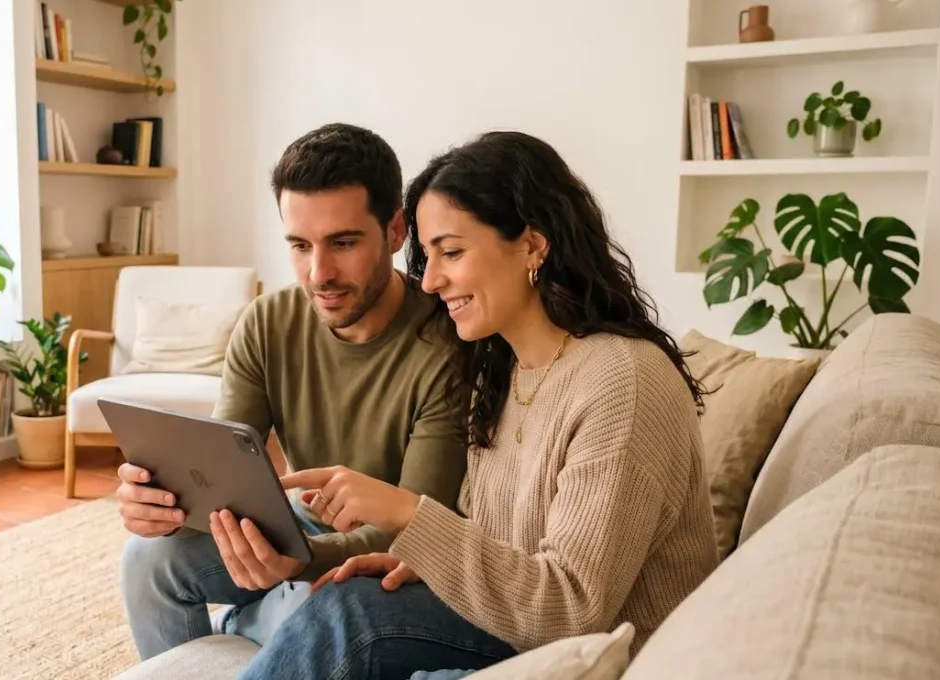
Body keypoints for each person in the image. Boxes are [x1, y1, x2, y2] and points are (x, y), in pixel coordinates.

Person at [235, 130, 721, 680]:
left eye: (453, 252)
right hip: (513, 633)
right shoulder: (502, 370)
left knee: (349, 617)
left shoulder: (621, 380)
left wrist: (405, 513)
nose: (432, 279)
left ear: (534, 245)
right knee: (349, 597)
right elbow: (499, 545)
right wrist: (422, 561)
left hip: (605, 656)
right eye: (428, 254)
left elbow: (570, 610)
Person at [115, 122, 470, 661]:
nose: (319, 273)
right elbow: (218, 475)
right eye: (300, 246)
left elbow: (415, 530)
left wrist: (297, 565)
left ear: (397, 232)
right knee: (145, 558)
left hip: (389, 551)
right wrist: (160, 503)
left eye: (343, 243)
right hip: (300, 521)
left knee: (310, 611)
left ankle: (259, 615)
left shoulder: (446, 345)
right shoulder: (267, 323)